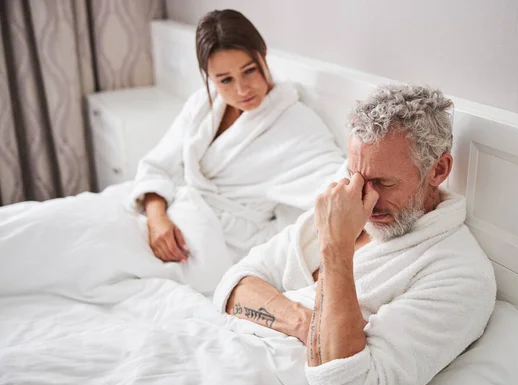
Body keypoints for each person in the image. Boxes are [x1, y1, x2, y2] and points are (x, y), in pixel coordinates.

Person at [0, 10, 343, 300]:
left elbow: (337, 192)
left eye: (249, 71)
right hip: (161, 213)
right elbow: (156, 165)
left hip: (202, 242)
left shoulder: (298, 126)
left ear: (262, 55)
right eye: (224, 79)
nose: (241, 89)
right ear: (208, 78)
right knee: (46, 222)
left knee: (74, 245)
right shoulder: (203, 105)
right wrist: (157, 217)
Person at [213, 84, 497, 385]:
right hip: (221, 355)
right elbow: (232, 285)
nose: (364, 197)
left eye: (383, 182)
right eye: (355, 175)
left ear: (438, 170)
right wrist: (300, 321)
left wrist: (336, 250)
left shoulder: (459, 274)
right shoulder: (347, 201)